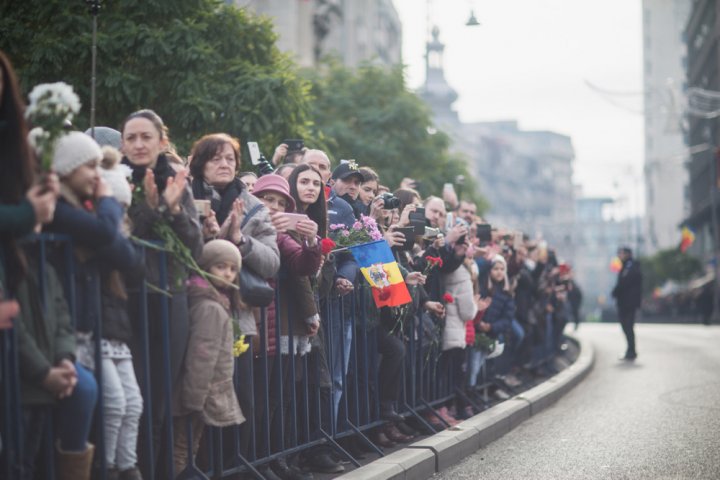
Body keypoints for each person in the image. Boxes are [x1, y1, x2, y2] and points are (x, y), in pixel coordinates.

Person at [120, 109, 203, 475]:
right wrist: (152, 210)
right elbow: (121, 240)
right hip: (125, 299)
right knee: (129, 403)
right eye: (131, 137)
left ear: (161, 142)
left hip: (169, 299)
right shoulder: (112, 181)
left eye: (145, 137)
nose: (138, 144)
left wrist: (172, 209)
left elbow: (195, 248)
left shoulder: (177, 183)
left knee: (157, 403)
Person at [189, 132, 280, 460]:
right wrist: (206, 235)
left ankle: (233, 468)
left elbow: (272, 261)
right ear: (201, 164)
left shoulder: (253, 206)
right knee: (197, 399)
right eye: (216, 158)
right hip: (193, 314)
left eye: (230, 159)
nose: (224, 164)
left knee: (240, 399)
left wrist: (241, 240)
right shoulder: (185, 196)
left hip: (239, 319)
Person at [253, 172, 322, 479]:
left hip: (272, 325)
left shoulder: (280, 235)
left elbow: (303, 265)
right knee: (255, 397)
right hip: (247, 321)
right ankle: (252, 462)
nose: (273, 207)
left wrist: (310, 242)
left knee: (276, 396)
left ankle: (273, 458)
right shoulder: (239, 222)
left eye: (280, 203)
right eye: (267, 199)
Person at [172, 240, 245, 475]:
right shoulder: (210, 308)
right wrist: (194, 398)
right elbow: (201, 356)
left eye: (233, 269)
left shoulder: (214, 301)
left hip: (202, 390)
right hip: (200, 393)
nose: (228, 273)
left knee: (188, 446)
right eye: (220, 267)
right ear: (205, 266)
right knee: (183, 447)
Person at [611, 247, 642, 360]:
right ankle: (630, 350)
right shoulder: (625, 266)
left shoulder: (630, 266)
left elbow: (625, 282)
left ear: (627, 254)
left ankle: (631, 351)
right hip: (625, 302)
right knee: (626, 327)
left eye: (621, 253)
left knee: (628, 326)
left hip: (628, 303)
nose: (619, 256)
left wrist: (615, 292)